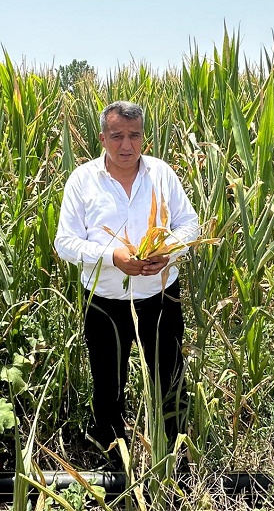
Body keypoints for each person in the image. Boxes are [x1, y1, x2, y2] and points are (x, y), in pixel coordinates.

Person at [54, 101, 200, 463]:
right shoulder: (83, 180)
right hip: (104, 302)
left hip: (161, 296)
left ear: (143, 138)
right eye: (117, 136)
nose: (126, 145)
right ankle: (113, 459)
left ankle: (174, 456)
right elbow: (65, 242)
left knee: (170, 378)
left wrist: (169, 252)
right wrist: (112, 257)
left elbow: (190, 225)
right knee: (108, 385)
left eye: (134, 136)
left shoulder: (162, 174)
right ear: (102, 138)